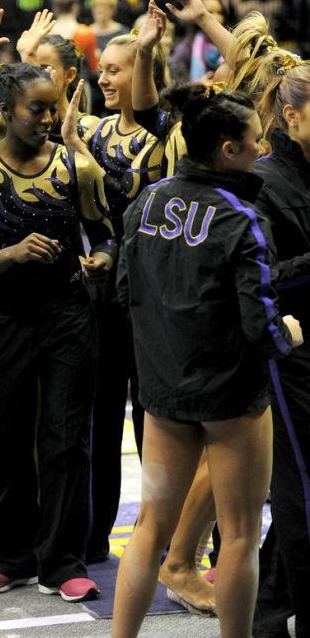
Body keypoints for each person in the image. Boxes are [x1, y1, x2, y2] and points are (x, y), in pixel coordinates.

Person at [113, 81, 302, 638]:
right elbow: (261, 325)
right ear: (228, 149)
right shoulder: (243, 216)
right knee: (241, 534)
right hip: (231, 395)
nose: (263, 149)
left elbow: (125, 290)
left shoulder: (146, 199)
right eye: (256, 141)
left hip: (163, 389)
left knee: (149, 529)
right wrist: (290, 332)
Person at [0, 64, 116, 602]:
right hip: (6, 319)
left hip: (68, 313)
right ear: (6, 112)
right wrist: (12, 253)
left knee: (66, 442)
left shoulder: (77, 168)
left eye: (54, 107)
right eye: (37, 109)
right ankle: (10, 556)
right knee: (6, 435)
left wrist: (99, 259)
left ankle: (62, 561)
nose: (49, 118)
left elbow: (108, 236)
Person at [250, 53, 310, 638]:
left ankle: (267, 613)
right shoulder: (264, 182)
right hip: (291, 351)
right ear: (290, 115)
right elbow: (262, 277)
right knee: (299, 488)